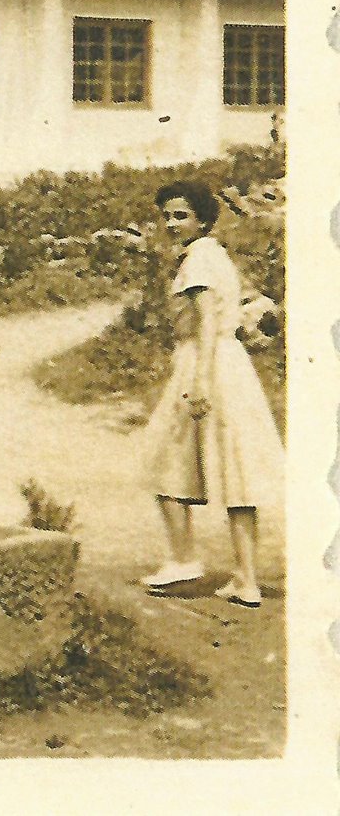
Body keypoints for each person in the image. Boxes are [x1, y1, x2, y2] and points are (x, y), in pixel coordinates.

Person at [139, 181, 286, 607]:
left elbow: (205, 320)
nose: (171, 224)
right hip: (231, 364)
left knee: (163, 458)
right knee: (236, 472)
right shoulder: (216, 255)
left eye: (181, 216)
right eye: (167, 216)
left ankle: (184, 559)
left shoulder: (198, 259)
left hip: (204, 364)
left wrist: (200, 379)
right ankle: (246, 579)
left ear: (203, 219)